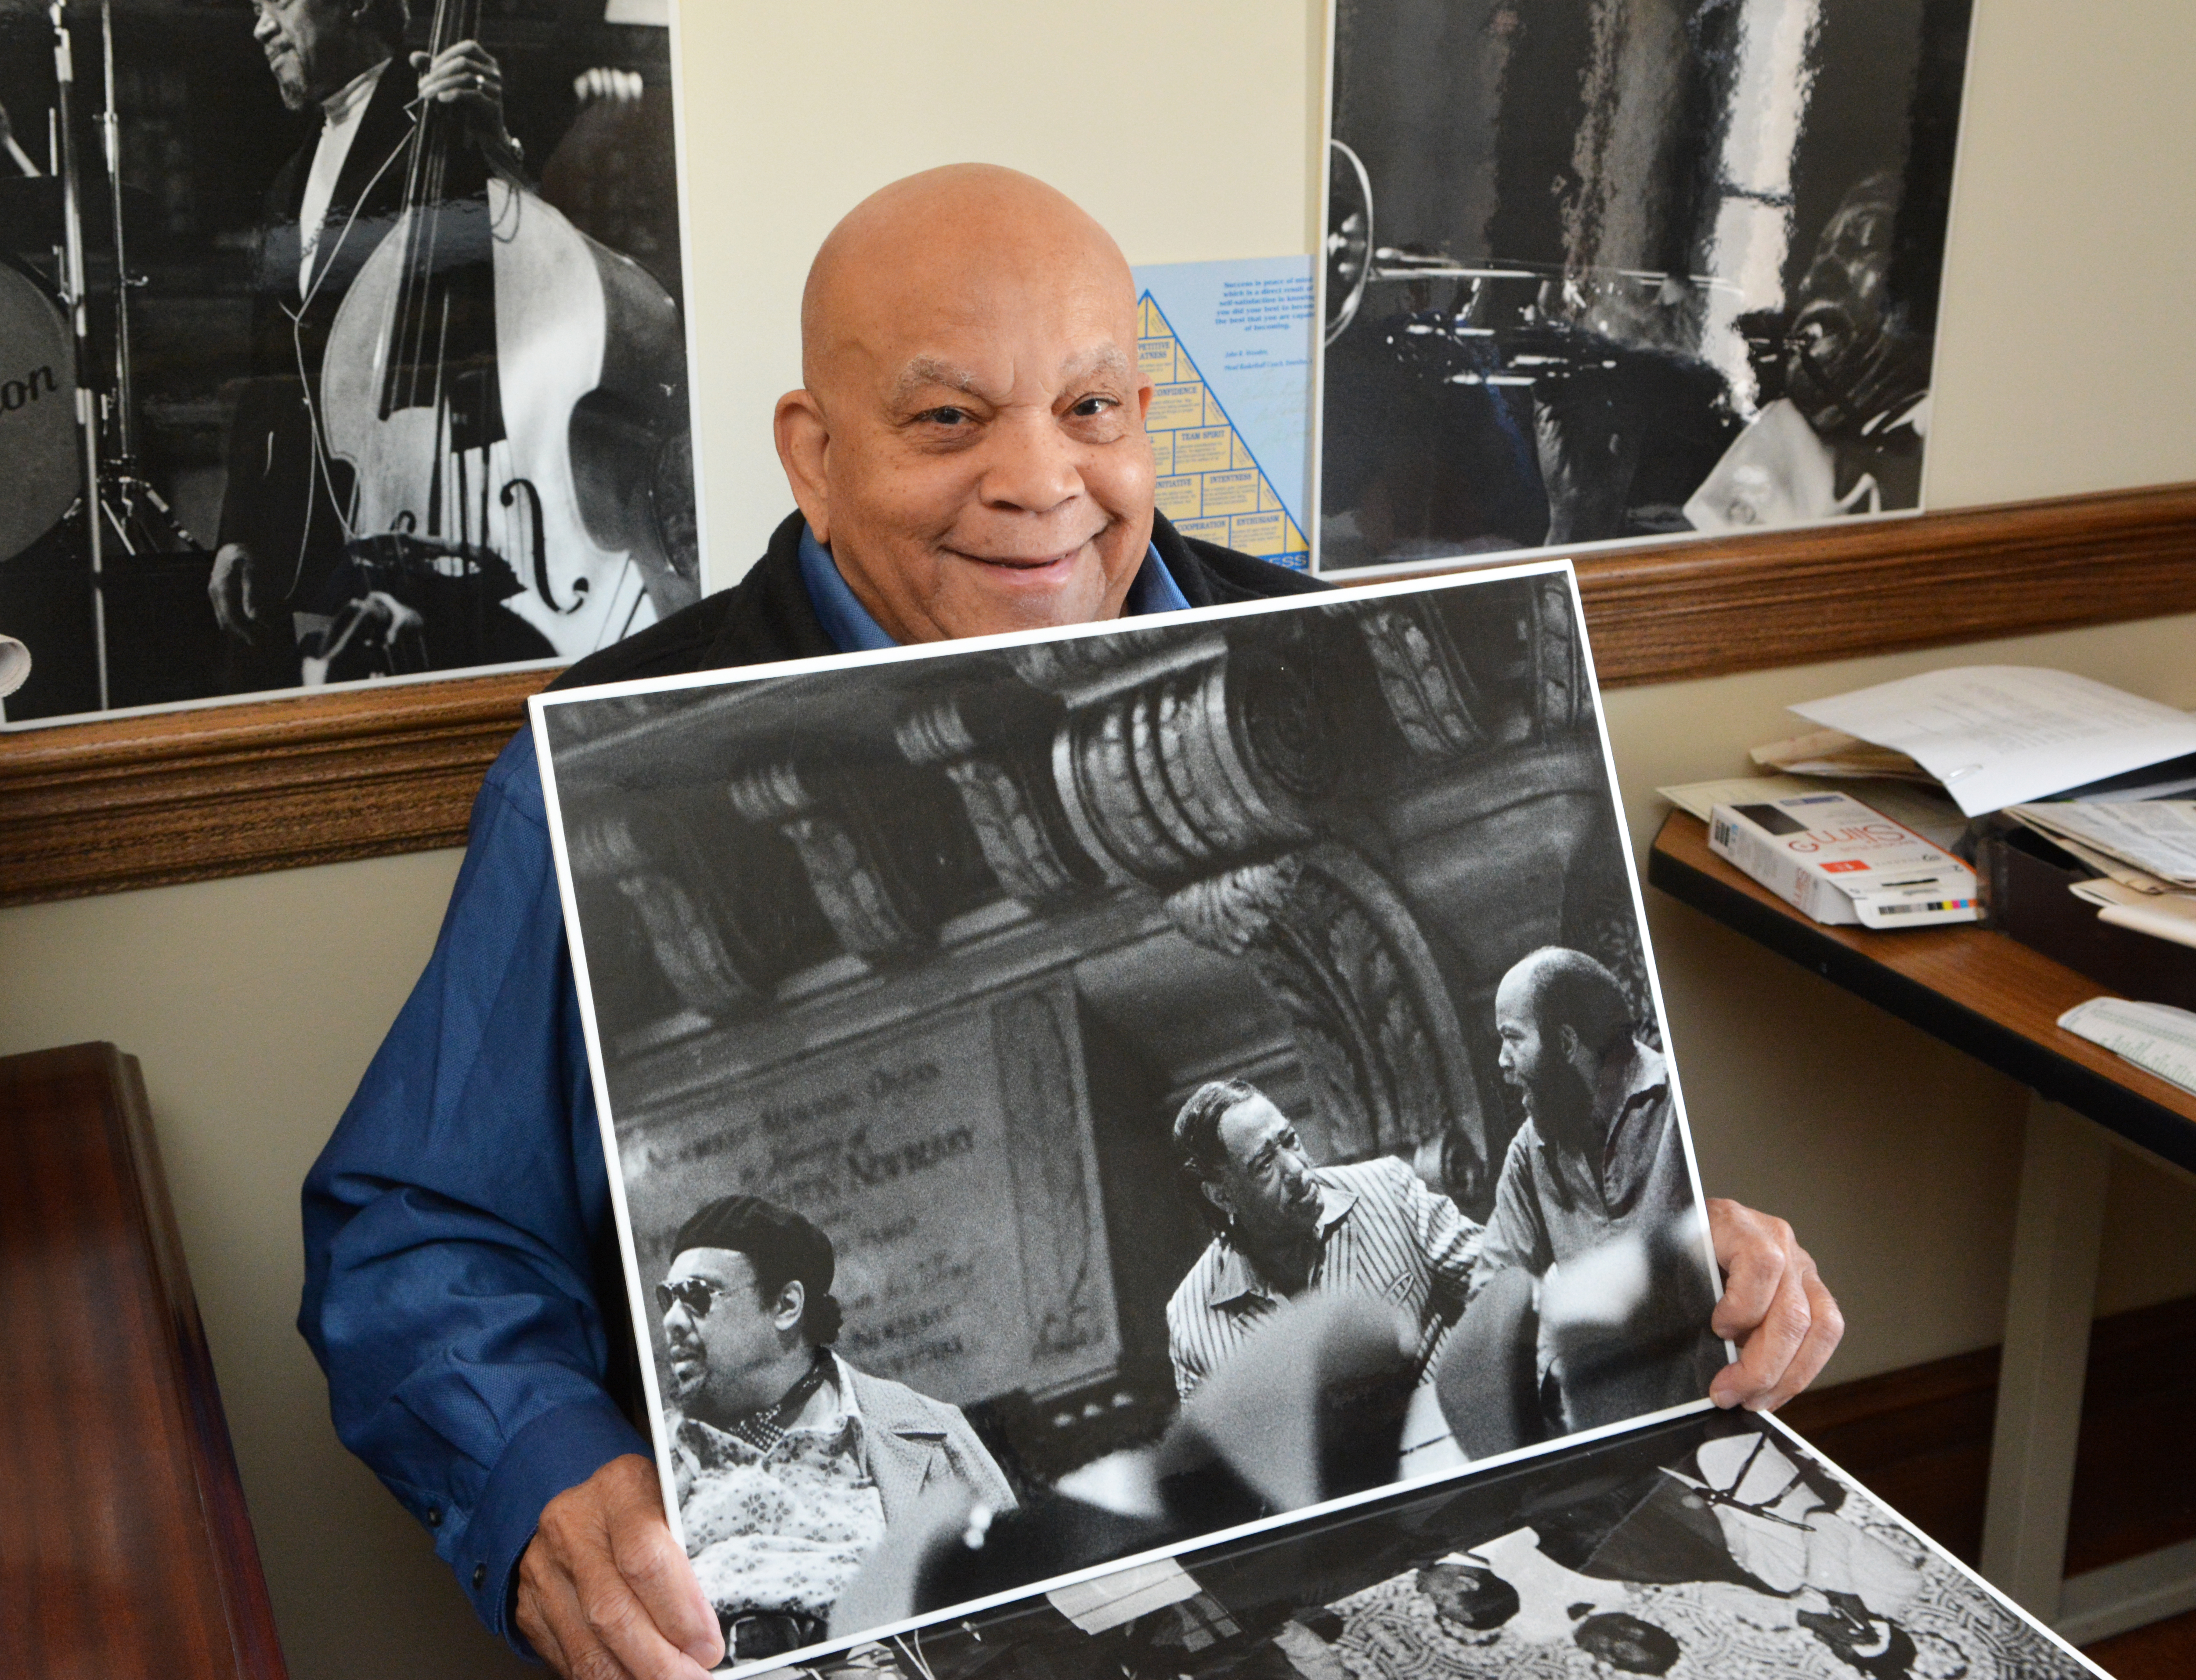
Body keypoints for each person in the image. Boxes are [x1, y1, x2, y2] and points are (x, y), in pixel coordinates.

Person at [298, 163, 1842, 1680]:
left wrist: (1680, 1257)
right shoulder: (580, 762)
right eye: (948, 418)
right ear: (814, 455)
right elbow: (418, 1226)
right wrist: (543, 1471)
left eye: (1092, 410)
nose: (1042, 483)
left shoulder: (1336, 646)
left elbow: (1532, 1265)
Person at [209, 0, 523, 689]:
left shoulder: (445, 125)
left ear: (355, 4)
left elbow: (531, 267)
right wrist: (238, 533)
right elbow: (266, 372)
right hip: (306, 538)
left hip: (437, 525)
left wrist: (501, 148)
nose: (261, 28)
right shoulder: (286, 180)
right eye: (256, 8)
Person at [654, 1195, 1012, 1662]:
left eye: (698, 1295)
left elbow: (1020, 1612)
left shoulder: (930, 1433)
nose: (671, 1321)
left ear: (785, 1305)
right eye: (668, 1298)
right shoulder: (650, 1461)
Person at [1438, 947, 1733, 1456]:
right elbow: (1493, 1304)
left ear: (1567, 1042)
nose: (1502, 1063)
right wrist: (1557, 1377)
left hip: (1728, 1420)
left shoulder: (1689, 1108)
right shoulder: (1528, 1151)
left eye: (1512, 1038)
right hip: (1615, 1444)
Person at [1164, 1077, 1477, 1404]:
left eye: (1290, 1140)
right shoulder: (1191, 1319)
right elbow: (1216, 1451)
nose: (1298, 1170)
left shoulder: (1388, 1188)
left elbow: (1499, 1280)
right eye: (1264, 1164)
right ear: (1222, 1196)